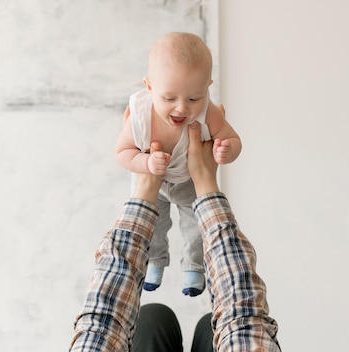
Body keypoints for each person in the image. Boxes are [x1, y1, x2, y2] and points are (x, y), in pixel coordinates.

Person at [70, 121, 280, 351]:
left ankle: (191, 267)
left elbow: (102, 325)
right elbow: (246, 322)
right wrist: (205, 180)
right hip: (185, 180)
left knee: (151, 319)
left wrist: (146, 185)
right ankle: (162, 264)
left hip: (176, 185)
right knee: (190, 323)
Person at [115, 32, 242, 296]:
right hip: (154, 185)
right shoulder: (140, 115)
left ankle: (195, 268)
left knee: (196, 226)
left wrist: (227, 149)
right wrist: (146, 161)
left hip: (189, 182)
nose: (182, 108)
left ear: (207, 87)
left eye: (193, 98)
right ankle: (154, 263)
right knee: (153, 225)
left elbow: (232, 138)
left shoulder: (209, 113)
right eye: (169, 98)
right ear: (149, 87)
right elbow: (122, 153)